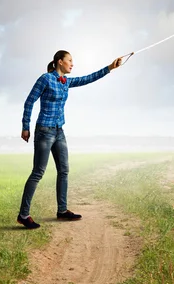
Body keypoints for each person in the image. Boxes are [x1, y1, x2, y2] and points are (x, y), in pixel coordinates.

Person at [16, 49, 122, 229]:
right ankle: (23, 215)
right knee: (38, 172)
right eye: (70, 60)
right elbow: (29, 101)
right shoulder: (46, 79)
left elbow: (87, 79)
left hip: (59, 132)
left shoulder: (66, 82)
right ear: (59, 62)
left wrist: (110, 67)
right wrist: (25, 126)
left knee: (64, 170)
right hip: (44, 131)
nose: (72, 64)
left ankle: (62, 211)